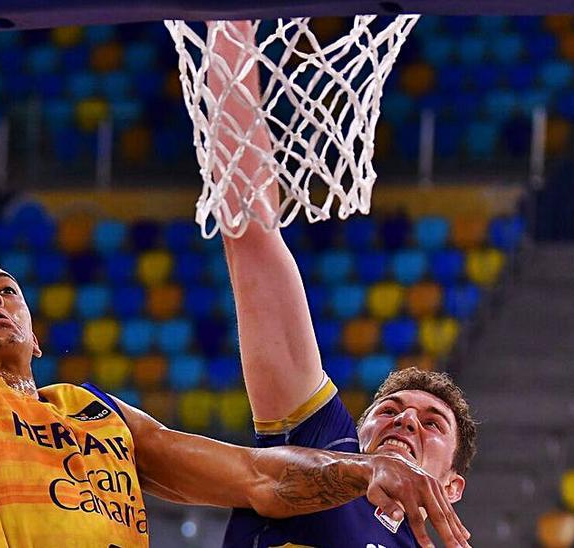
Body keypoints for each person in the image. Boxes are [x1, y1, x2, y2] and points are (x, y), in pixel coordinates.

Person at [0, 31, 472, 546]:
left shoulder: (100, 416)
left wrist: (362, 469)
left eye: (6, 290)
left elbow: (257, 477)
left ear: (38, 333)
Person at [206, 22, 477, 548]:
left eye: (432, 423)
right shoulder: (319, 448)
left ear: (453, 485)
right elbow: (252, 237)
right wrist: (230, 28)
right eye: (391, 412)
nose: (406, 424)